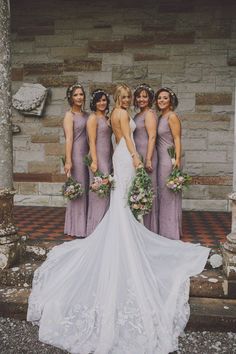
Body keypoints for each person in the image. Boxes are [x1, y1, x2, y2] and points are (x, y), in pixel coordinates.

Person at [27, 83, 210, 354]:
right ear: (119, 98)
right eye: (125, 97)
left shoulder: (114, 113)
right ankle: (126, 239)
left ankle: (125, 235)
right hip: (127, 158)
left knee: (122, 203)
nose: (128, 100)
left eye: (129, 97)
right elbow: (125, 137)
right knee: (124, 202)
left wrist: (126, 158)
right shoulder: (122, 115)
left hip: (120, 158)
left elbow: (116, 140)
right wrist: (136, 160)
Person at [155, 87, 182, 240]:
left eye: (165, 98)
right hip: (160, 158)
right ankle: (163, 228)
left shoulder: (172, 116)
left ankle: (170, 231)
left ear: (171, 100)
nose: (162, 101)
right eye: (159, 98)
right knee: (162, 193)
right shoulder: (160, 117)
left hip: (168, 158)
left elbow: (177, 138)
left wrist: (177, 159)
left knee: (168, 194)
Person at [63, 83, 89, 238]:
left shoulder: (86, 115)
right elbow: (69, 139)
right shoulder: (69, 116)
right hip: (77, 155)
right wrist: (68, 160)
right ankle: (77, 226)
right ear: (70, 98)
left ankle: (86, 224)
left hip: (88, 155)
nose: (79, 97)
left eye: (81, 94)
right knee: (79, 189)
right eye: (76, 95)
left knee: (87, 187)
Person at [86, 89, 112, 235]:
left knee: (107, 190)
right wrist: (95, 161)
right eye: (98, 100)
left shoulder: (106, 118)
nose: (102, 103)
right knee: (99, 192)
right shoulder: (93, 118)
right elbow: (91, 141)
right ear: (94, 103)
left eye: (104, 100)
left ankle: (105, 228)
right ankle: (95, 229)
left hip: (108, 157)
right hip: (98, 158)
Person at [133, 83, 158, 233]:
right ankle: (141, 226)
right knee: (141, 189)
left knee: (148, 189)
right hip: (138, 156)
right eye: (139, 96)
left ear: (149, 99)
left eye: (144, 96)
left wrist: (148, 158)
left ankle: (150, 228)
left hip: (147, 155)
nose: (141, 99)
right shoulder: (137, 115)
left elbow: (152, 136)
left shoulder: (149, 114)